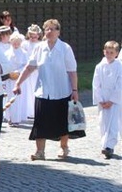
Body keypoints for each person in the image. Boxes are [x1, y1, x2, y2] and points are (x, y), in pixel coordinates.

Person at [13, 19, 82, 161]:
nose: (50, 32)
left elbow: (72, 71)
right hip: (43, 92)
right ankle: (40, 151)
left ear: (58, 31)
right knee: (40, 122)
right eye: (47, 29)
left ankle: (64, 147)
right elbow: (30, 67)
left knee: (62, 122)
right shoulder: (39, 48)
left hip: (62, 91)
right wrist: (18, 83)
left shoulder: (65, 48)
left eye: (53, 29)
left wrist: (74, 90)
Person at [93, 41, 122, 159]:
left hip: (114, 99)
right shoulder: (100, 66)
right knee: (103, 122)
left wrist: (112, 100)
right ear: (104, 52)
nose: (109, 55)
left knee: (113, 122)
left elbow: (120, 85)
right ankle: (104, 144)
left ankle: (110, 146)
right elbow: (96, 83)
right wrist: (100, 99)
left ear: (116, 54)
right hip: (103, 98)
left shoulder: (119, 66)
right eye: (107, 52)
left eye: (112, 52)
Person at [4, 33, 28, 126]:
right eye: (14, 42)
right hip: (10, 78)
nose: (16, 45)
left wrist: (18, 72)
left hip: (19, 78)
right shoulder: (7, 53)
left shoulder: (24, 53)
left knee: (17, 99)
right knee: (9, 97)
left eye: (18, 43)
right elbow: (4, 64)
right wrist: (9, 73)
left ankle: (16, 118)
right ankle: (9, 117)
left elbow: (26, 65)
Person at [21, 24, 42, 119]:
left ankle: (35, 110)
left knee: (34, 89)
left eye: (35, 36)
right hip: (27, 69)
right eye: (31, 36)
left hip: (36, 70)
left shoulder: (40, 44)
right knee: (27, 90)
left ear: (38, 35)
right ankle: (28, 111)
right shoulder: (25, 44)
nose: (33, 38)